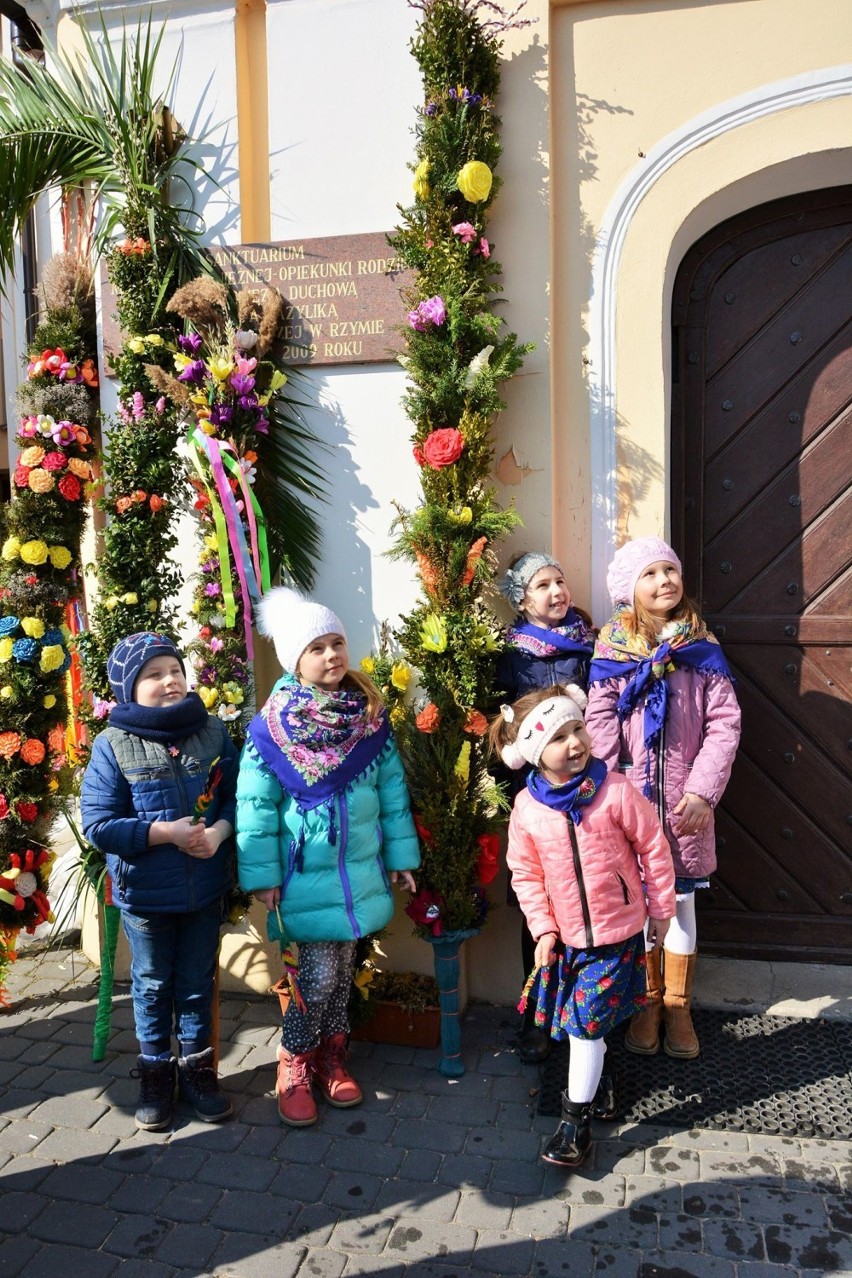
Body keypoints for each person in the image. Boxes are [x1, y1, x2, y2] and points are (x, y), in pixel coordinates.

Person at [236, 588, 420, 1127]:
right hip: (302, 875)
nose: (332, 655)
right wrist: (263, 875)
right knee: (315, 978)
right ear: (295, 658)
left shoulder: (367, 717)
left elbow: (391, 791)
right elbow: (256, 808)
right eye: (316, 647)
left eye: (337, 642)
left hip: (358, 872)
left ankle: (330, 1057)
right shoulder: (271, 730)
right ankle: (293, 1060)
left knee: (340, 974)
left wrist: (400, 855)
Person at [490, 684, 675, 1169]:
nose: (575, 743)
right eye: (558, 737)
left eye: (578, 729)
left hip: (617, 931)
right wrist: (544, 929)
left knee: (584, 1024)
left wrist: (661, 908)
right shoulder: (529, 811)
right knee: (588, 1024)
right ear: (534, 753)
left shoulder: (614, 791)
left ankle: (575, 1126)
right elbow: (525, 875)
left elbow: (653, 847)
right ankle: (603, 1076)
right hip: (569, 937)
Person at [585, 537, 741, 1060]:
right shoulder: (613, 646)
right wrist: (607, 786)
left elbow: (724, 722)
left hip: (684, 806)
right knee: (639, 904)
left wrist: (702, 790)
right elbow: (600, 718)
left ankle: (678, 1006)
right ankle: (648, 1001)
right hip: (631, 801)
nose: (663, 582)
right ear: (630, 588)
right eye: (649, 574)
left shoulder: (700, 644)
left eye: (669, 570)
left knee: (679, 906)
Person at [81, 632, 238, 1131]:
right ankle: (155, 1073)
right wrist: (162, 833)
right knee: (151, 986)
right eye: (153, 674)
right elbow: (98, 824)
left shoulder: (211, 732)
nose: (169, 680)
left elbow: (239, 798)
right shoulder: (112, 745)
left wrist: (217, 832)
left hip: (203, 888)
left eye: (174, 669)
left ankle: (198, 1071)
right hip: (146, 898)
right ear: (129, 687)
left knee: (196, 983)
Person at [496, 551, 596, 1064]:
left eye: (561, 580)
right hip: (533, 789)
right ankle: (536, 1017)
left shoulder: (588, 641)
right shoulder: (512, 652)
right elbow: (501, 716)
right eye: (543, 585)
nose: (557, 591)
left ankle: (586, 1011)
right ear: (522, 599)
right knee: (537, 910)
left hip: (583, 785)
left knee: (585, 895)